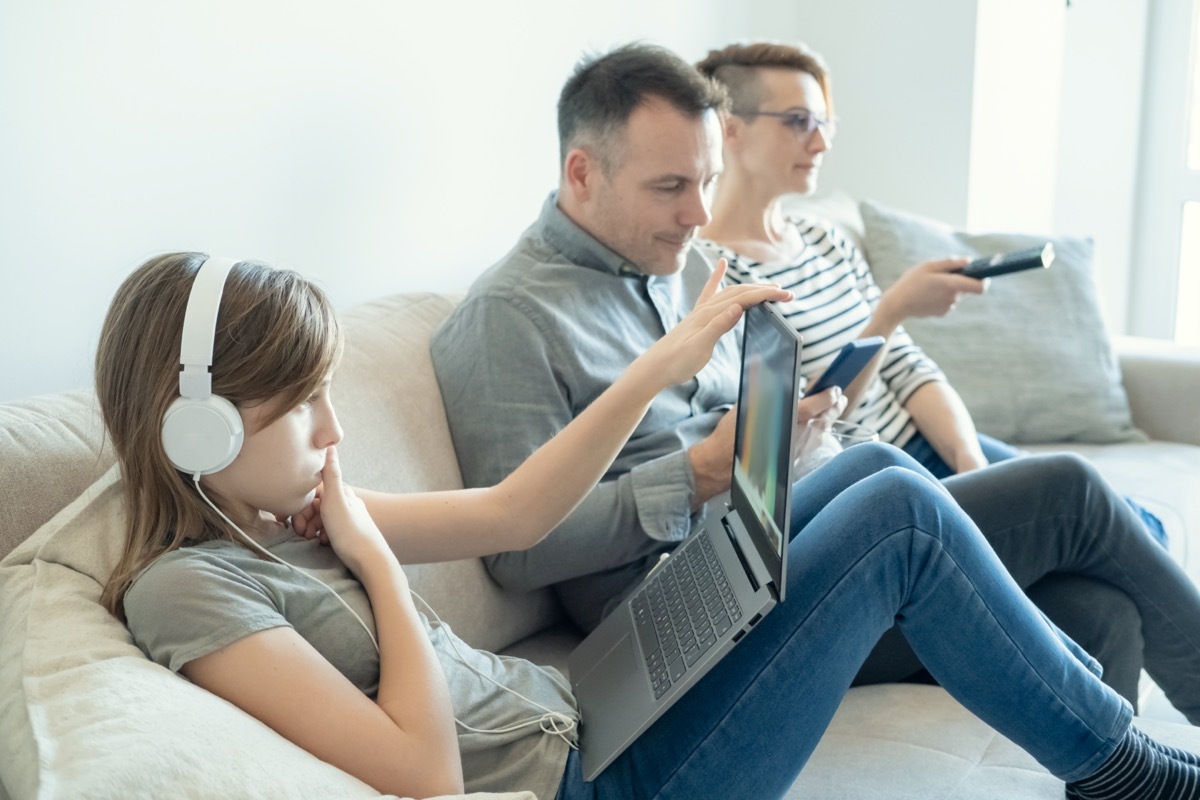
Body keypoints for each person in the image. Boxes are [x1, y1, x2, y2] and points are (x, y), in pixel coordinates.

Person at [99, 252, 1200, 800]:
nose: (335, 430)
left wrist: (659, 368)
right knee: (904, 516)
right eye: (300, 407)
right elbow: (425, 773)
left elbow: (514, 511)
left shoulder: (280, 512)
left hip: (596, 691)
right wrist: (380, 564)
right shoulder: (192, 589)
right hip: (600, 776)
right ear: (191, 428)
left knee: (866, 462)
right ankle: (1135, 772)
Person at [430, 41, 1200, 721]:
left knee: (1098, 609)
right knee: (1062, 488)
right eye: (670, 187)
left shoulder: (667, 264)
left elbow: (729, 421)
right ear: (581, 172)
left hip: (768, 532)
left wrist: (784, 432)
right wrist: (696, 474)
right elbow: (514, 550)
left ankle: (1118, 783)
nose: (698, 213)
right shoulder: (509, 318)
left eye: (706, 180)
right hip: (680, 613)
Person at [691, 41, 1166, 544]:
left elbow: (907, 367)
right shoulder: (720, 275)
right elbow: (809, 433)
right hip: (873, 481)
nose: (821, 142)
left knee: (1138, 525)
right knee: (1100, 545)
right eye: (798, 121)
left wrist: (970, 463)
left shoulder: (822, 239)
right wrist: (890, 313)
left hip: (934, 441)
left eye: (825, 123)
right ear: (729, 128)